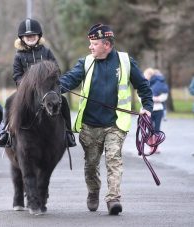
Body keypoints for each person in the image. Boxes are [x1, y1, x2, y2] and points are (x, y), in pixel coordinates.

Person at [59, 23, 153, 215]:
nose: (90, 47)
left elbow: (143, 86)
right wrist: (50, 87)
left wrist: (147, 108)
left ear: (107, 45)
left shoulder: (125, 61)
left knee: (113, 159)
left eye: (94, 43)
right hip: (89, 125)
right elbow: (68, 80)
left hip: (115, 124)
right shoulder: (85, 63)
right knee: (91, 164)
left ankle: (113, 199)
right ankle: (93, 191)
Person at [0, 18, 76, 147]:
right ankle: (5, 133)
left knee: (63, 102)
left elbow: (56, 69)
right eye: (27, 36)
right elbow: (17, 75)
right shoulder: (18, 56)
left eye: (33, 35)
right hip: (27, 90)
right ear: (22, 38)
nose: (30, 37)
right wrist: (26, 84)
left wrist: (51, 80)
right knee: (10, 101)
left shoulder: (46, 51)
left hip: (47, 89)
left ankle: (68, 133)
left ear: (39, 36)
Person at [143, 68, 169, 153]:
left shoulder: (160, 84)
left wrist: (152, 99)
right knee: (149, 129)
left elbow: (164, 96)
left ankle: (155, 147)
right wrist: (152, 99)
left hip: (158, 109)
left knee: (157, 129)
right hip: (147, 110)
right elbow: (140, 97)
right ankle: (152, 147)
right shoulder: (144, 84)